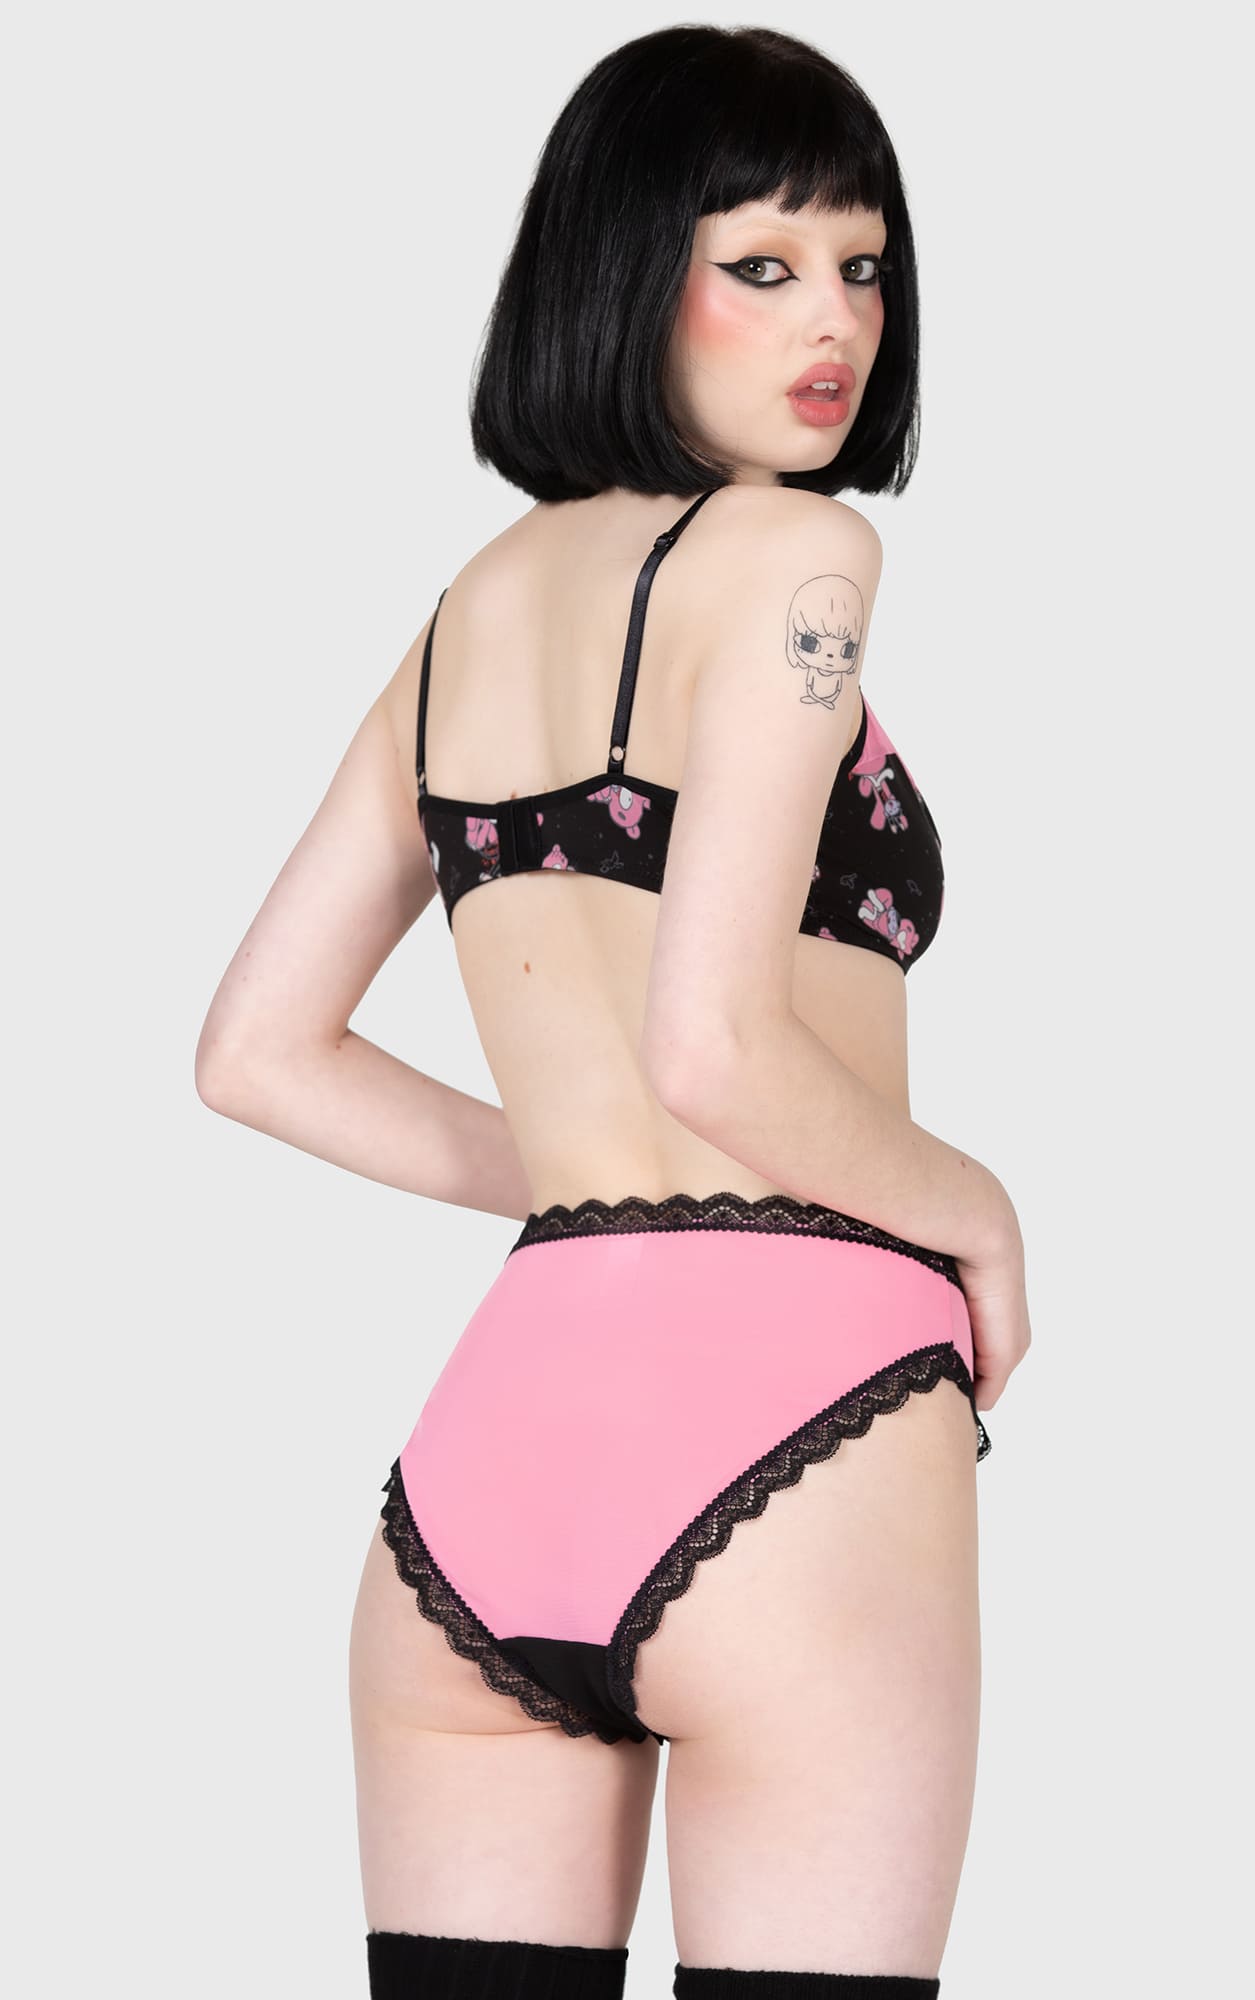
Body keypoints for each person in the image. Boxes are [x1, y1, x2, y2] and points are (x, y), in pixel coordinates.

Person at [195, 24, 1031, 1999]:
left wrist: (582, 1170)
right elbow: (712, 1044)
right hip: (798, 1424)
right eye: (761, 265)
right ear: (622, 269)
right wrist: (979, 1214)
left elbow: (256, 1052)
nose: (833, 322)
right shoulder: (800, 554)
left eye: (863, 265)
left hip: (493, 1462)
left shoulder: (466, 614)